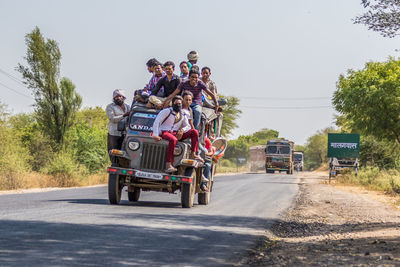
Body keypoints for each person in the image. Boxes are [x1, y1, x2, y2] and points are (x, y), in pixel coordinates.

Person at [152, 95, 202, 172]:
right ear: (173, 103)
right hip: (165, 132)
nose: (178, 105)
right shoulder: (166, 111)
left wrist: (182, 130)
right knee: (173, 140)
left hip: (176, 133)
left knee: (194, 132)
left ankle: (193, 153)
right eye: (176, 103)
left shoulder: (183, 113)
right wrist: (155, 134)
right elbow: (157, 122)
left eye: (180, 103)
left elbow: (187, 126)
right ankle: (168, 164)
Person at [106, 89, 130, 162]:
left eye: (120, 96)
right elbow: (112, 119)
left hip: (125, 134)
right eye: (116, 96)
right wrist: (124, 115)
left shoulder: (127, 106)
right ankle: (114, 165)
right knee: (113, 152)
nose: (118, 98)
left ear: (123, 97)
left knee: (124, 153)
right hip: (114, 134)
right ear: (113, 98)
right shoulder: (110, 107)